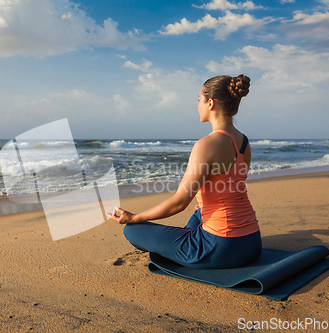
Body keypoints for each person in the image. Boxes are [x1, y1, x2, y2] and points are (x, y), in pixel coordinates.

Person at [107, 74, 262, 269]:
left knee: (133, 230)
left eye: (199, 100)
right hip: (252, 242)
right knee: (198, 214)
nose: (198, 105)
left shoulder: (206, 144)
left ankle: (189, 248)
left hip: (222, 248)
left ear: (211, 103)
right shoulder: (244, 142)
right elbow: (229, 187)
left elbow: (178, 204)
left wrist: (134, 217)